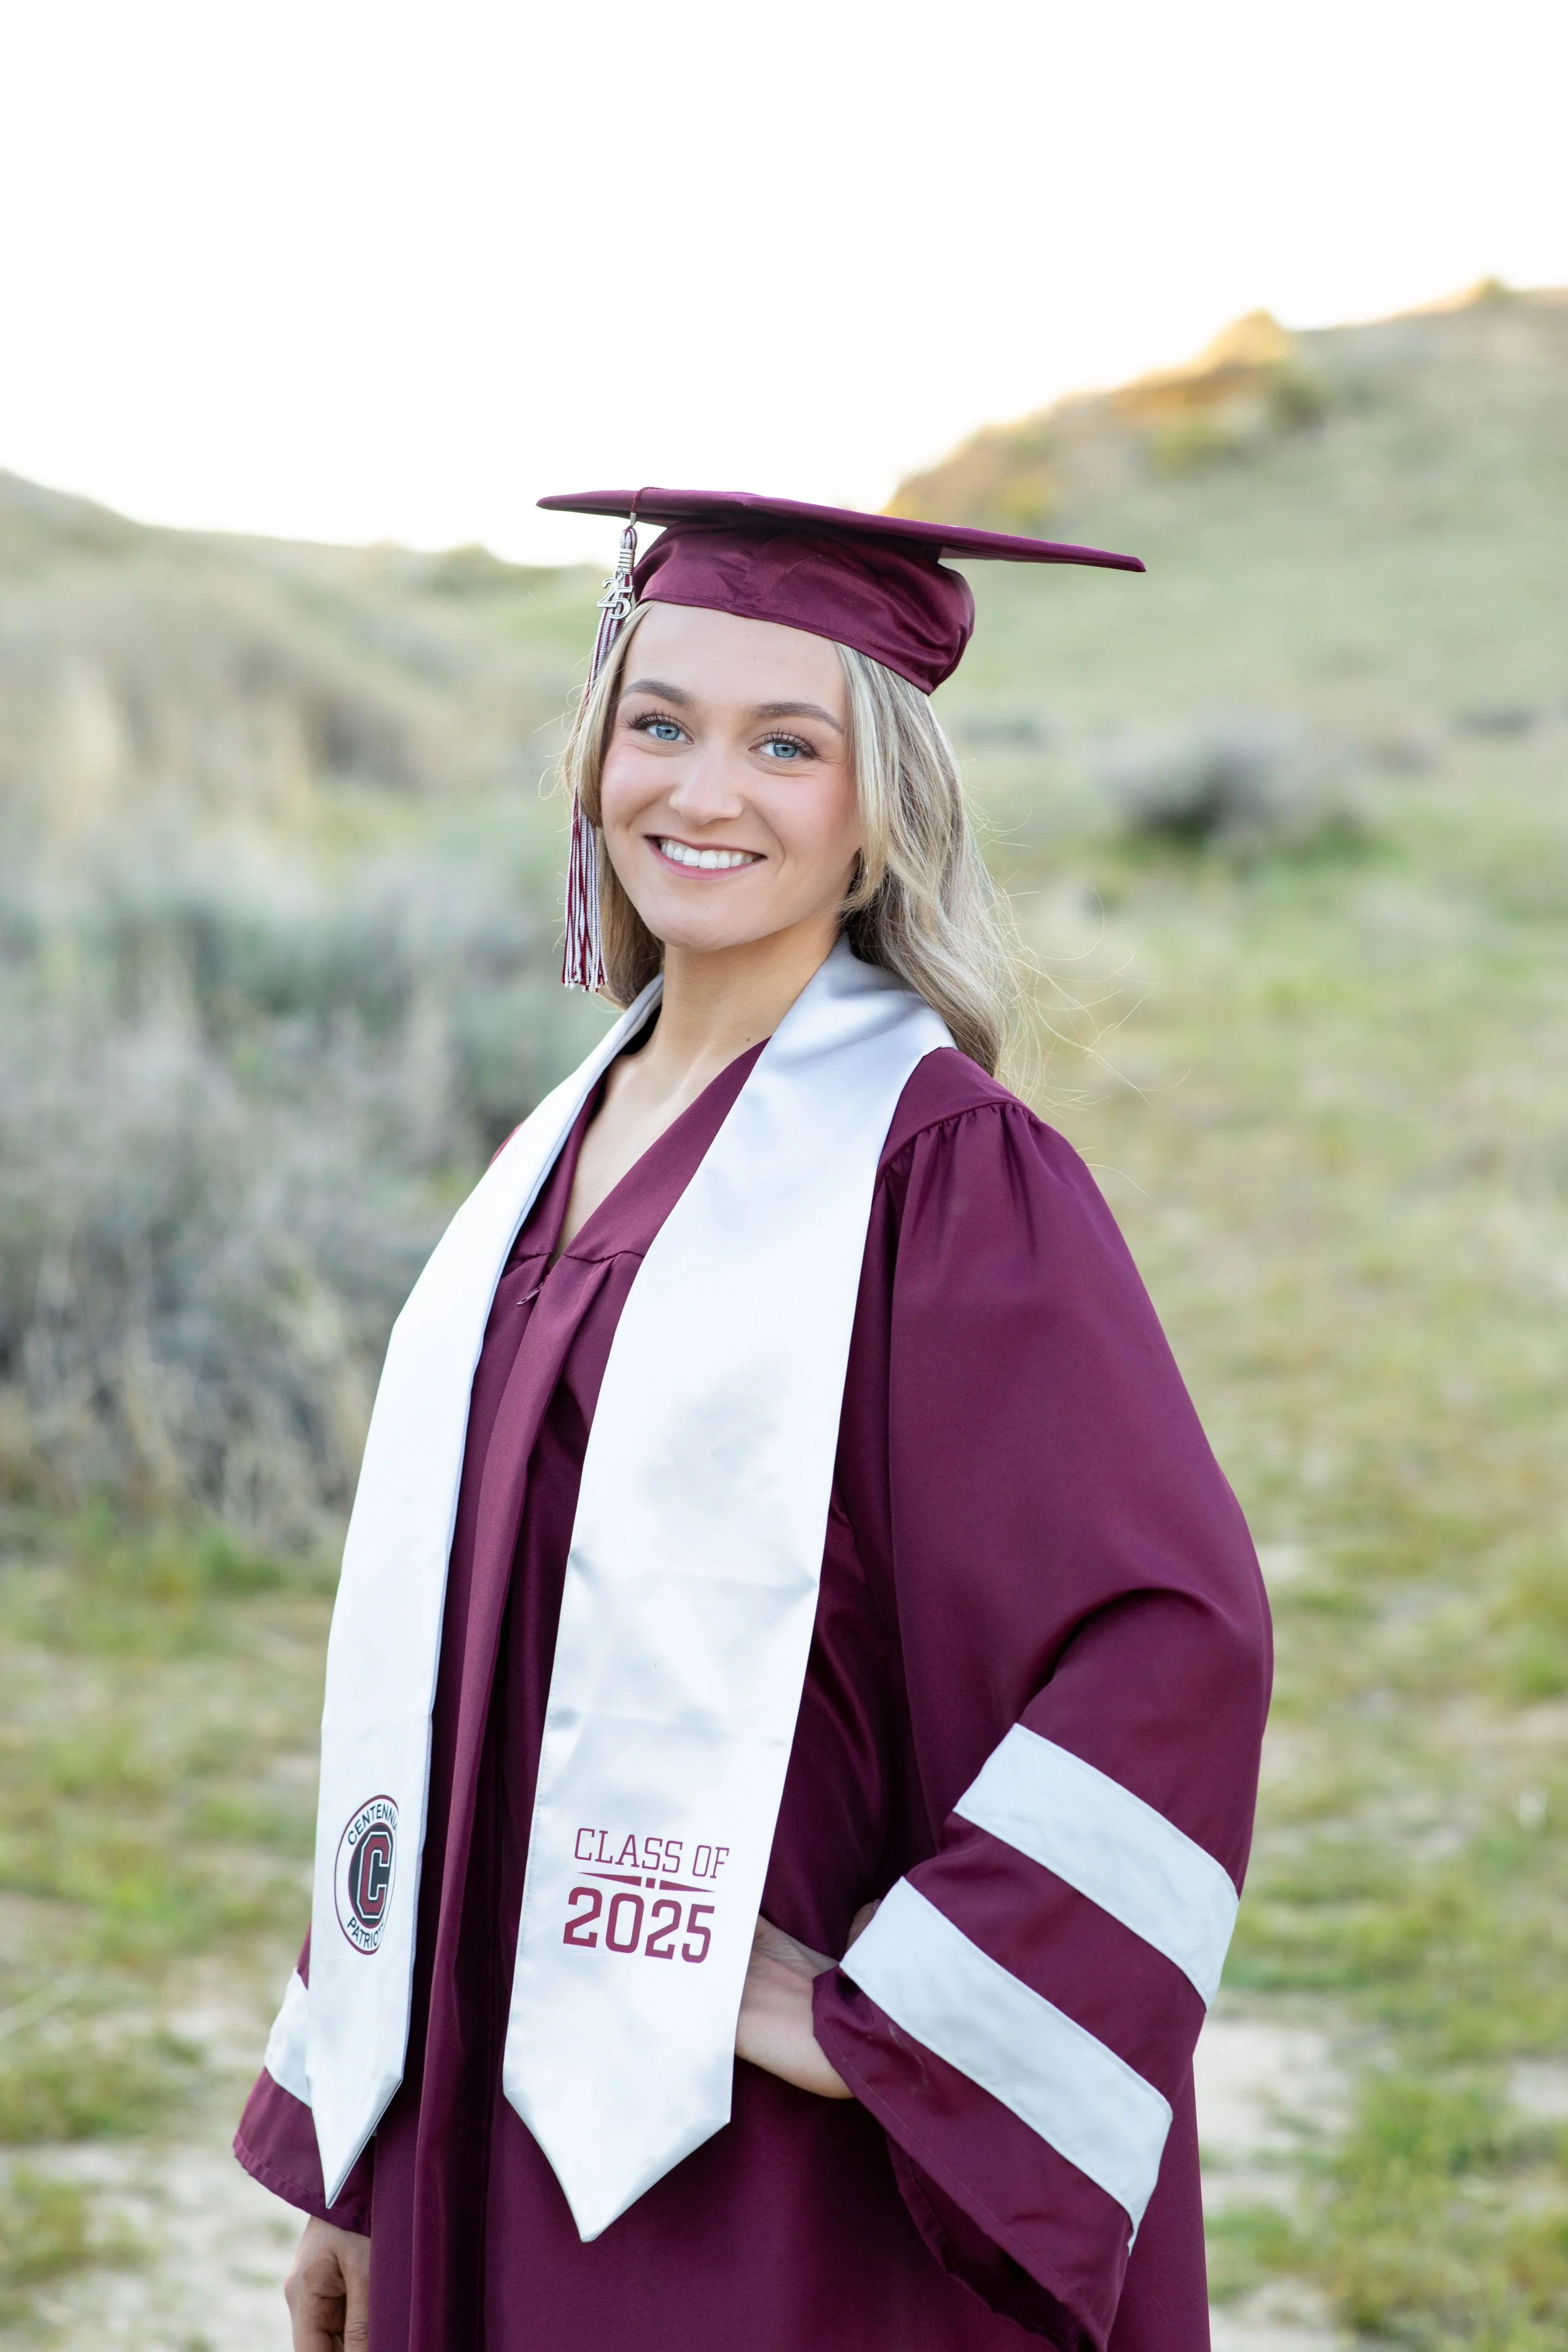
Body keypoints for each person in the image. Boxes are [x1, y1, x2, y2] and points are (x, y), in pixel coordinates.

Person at [235, 489, 1271, 2352]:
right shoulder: (551, 1154)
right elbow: (442, 1667)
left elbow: (1164, 1640)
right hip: (477, 2094)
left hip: (755, 2170)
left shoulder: (946, 1179)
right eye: (661, 724)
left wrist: (884, 2013)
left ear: (878, 806)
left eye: (784, 744)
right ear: (594, 756)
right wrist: (352, 2144)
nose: (701, 791)